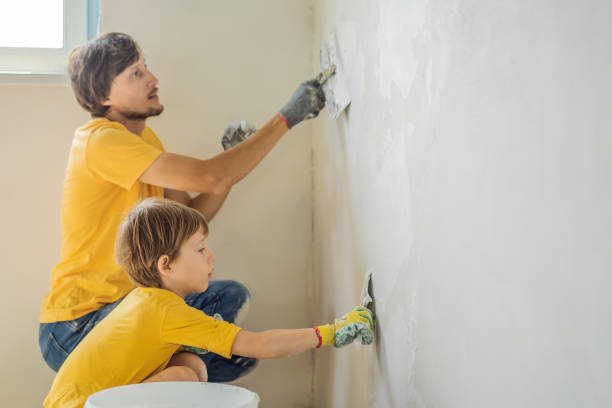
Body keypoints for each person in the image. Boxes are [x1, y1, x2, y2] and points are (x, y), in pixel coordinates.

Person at [39, 32, 328, 382]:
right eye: (135, 73)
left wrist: (228, 169)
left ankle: (157, 387)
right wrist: (286, 118)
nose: (152, 79)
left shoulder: (144, 141)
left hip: (128, 311)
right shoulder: (100, 141)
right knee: (208, 356)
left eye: (146, 68)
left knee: (227, 312)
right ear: (103, 96)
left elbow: (195, 215)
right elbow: (209, 176)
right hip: (77, 325)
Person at [43, 198, 374, 408]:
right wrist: (331, 333)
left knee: (192, 365)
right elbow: (262, 344)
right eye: (200, 249)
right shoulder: (165, 310)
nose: (211, 256)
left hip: (74, 402)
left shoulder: (144, 300)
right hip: (84, 406)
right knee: (187, 376)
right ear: (166, 265)